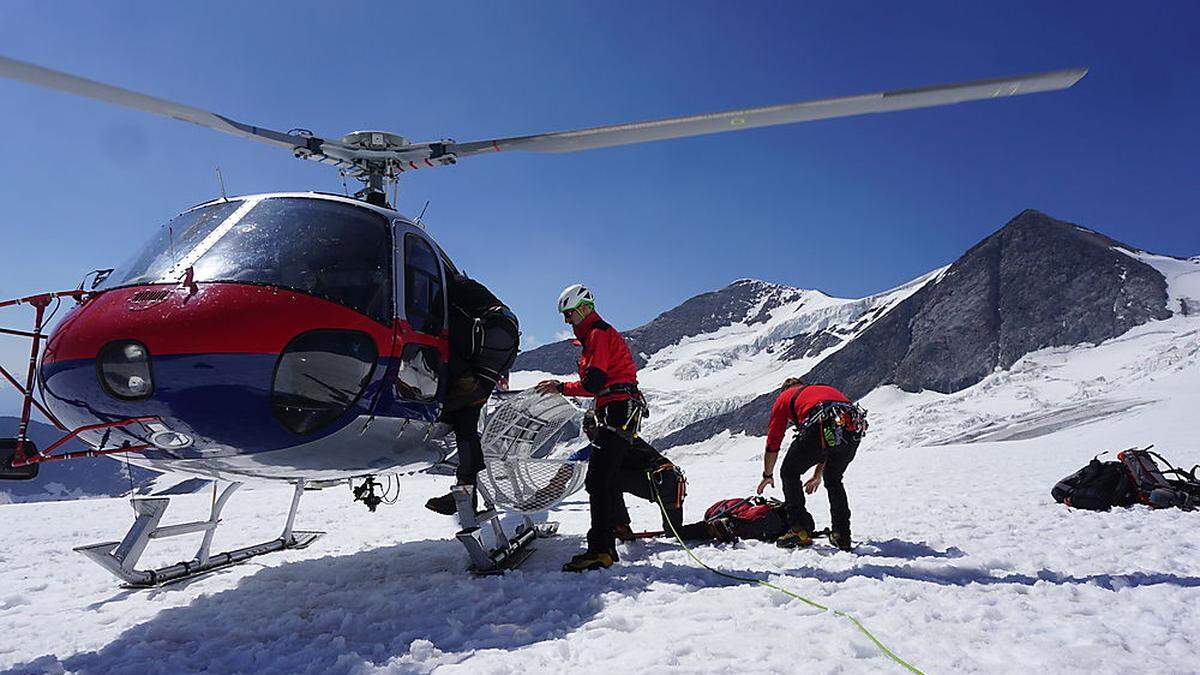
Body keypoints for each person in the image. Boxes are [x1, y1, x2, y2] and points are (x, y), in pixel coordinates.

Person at [535, 284, 643, 572]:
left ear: (584, 309)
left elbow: (594, 382)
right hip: (619, 409)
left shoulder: (597, 335)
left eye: (569, 314)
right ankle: (618, 528)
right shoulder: (596, 335)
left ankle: (601, 550)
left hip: (618, 409)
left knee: (597, 480)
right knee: (607, 475)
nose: (566, 321)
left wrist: (561, 388)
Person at [425, 272, 519, 516]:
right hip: (502, 342)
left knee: (437, 341)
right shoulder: (474, 292)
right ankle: (465, 491)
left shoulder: (449, 285)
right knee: (466, 416)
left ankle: (465, 488)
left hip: (494, 332)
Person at [755, 377, 865, 552]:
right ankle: (842, 535)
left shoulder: (785, 397)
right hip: (852, 429)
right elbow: (830, 440)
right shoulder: (822, 389)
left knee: (789, 472)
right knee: (834, 480)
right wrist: (817, 475)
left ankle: (799, 529)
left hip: (821, 425)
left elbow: (774, 440)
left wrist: (768, 475)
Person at [565, 411, 686, 539]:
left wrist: (555, 484)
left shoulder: (610, 440)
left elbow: (578, 458)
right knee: (675, 533)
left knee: (606, 479)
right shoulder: (619, 436)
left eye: (589, 428)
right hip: (670, 482)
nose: (587, 432)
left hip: (661, 482)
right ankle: (707, 529)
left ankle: (621, 527)